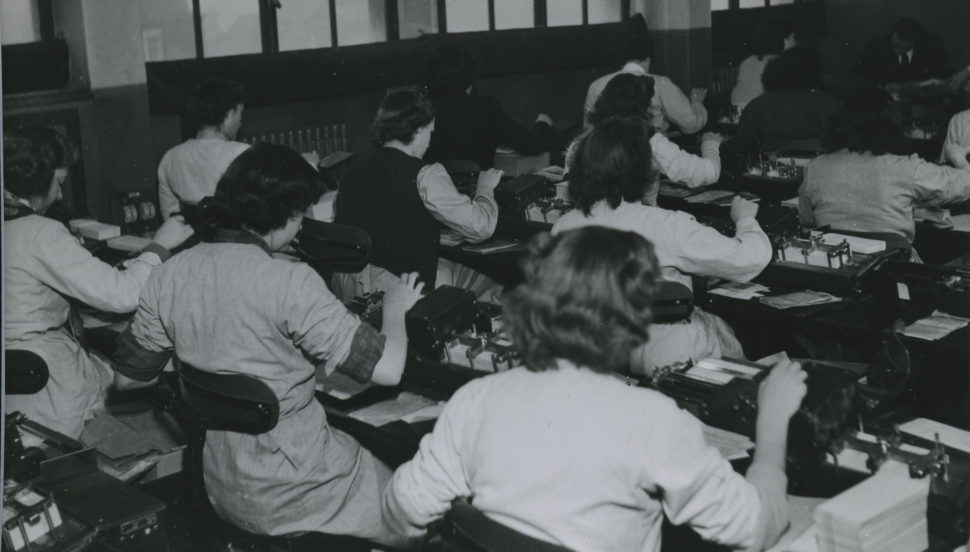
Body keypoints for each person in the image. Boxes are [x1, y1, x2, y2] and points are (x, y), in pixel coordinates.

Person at [382, 226, 807, 552]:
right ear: (634, 322)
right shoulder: (652, 420)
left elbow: (402, 511)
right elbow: (755, 528)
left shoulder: (476, 400)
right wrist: (772, 421)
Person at [112, 143, 423, 547]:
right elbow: (390, 368)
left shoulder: (168, 274)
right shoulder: (288, 281)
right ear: (286, 214)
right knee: (420, 510)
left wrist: (209, 361)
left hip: (222, 483)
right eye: (301, 215)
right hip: (304, 486)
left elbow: (126, 380)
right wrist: (395, 308)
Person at [3, 126, 194, 438]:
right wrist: (159, 246)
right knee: (160, 418)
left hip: (15, 389)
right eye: (59, 183)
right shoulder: (39, 233)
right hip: (50, 394)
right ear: (39, 180)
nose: (61, 194)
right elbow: (122, 295)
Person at [554, 117, 772, 372]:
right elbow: (752, 258)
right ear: (644, 168)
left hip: (597, 352)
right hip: (663, 355)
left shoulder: (563, 225)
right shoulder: (666, 226)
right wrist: (745, 219)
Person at [334, 89, 503, 299]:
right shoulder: (426, 173)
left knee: (445, 268)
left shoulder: (352, 169)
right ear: (419, 130)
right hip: (403, 292)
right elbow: (481, 227)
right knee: (496, 281)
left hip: (351, 288)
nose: (430, 141)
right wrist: (485, 188)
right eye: (430, 132)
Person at [800, 86, 970, 258]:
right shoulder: (906, 168)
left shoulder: (815, 167)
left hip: (837, 268)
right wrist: (959, 159)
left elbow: (807, 222)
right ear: (892, 124)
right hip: (893, 271)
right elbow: (963, 186)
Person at [583, 73, 723, 205]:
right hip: (639, 221)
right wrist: (711, 143)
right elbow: (708, 173)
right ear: (643, 108)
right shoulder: (649, 142)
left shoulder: (585, 140)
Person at [424, 46, 556, 170]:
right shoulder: (485, 109)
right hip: (477, 191)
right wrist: (543, 124)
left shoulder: (422, 109)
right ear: (469, 81)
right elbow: (530, 145)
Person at [584, 18, 707, 135]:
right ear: (648, 57)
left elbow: (589, 129)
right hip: (651, 152)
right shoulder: (661, 84)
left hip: (610, 154)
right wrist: (697, 102)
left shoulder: (596, 86)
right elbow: (691, 124)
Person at [157, 78, 251, 219]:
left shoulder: (170, 158)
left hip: (187, 239)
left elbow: (169, 219)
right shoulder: (244, 154)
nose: (241, 123)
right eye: (240, 114)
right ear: (229, 114)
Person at [735, 46, 840, 151]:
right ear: (817, 73)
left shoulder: (754, 107)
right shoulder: (827, 105)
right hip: (817, 165)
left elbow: (739, 149)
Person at [730, 19, 797, 114]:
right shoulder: (783, 64)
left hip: (740, 116)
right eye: (793, 38)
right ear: (785, 41)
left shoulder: (747, 62)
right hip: (764, 116)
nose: (795, 43)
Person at [859, 17, 949, 85]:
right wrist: (883, 86)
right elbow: (864, 77)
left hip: (922, 98)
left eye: (899, 48)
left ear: (915, 40)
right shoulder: (875, 47)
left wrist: (906, 86)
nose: (895, 51)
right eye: (894, 45)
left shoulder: (932, 45)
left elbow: (941, 75)